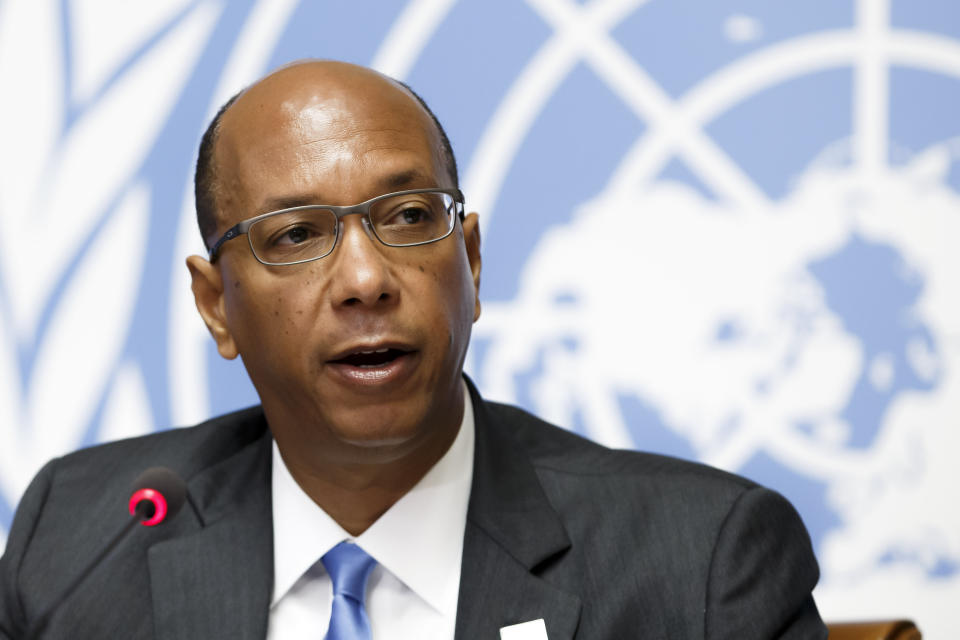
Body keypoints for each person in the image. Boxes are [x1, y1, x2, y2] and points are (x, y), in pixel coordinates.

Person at [0, 60, 827, 639]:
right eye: (296, 234)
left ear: (469, 262)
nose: (365, 278)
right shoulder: (83, 537)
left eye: (407, 217)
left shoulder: (702, 563)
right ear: (217, 306)